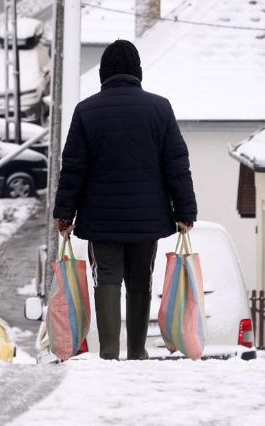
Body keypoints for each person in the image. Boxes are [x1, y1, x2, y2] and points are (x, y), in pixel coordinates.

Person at [53, 39, 197, 360]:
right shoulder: (159, 109)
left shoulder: (87, 111)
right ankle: (137, 351)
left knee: (106, 276)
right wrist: (185, 211)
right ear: (139, 72)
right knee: (140, 278)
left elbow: (73, 168)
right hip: (147, 219)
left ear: (103, 73)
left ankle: (108, 352)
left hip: (101, 220)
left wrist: (65, 214)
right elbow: (177, 165)